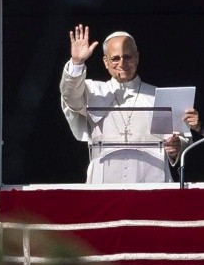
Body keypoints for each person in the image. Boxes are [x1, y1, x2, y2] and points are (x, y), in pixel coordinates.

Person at [60, 24, 184, 183]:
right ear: (105, 61)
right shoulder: (93, 90)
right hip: (105, 181)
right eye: (115, 58)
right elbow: (70, 96)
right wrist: (77, 63)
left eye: (128, 57)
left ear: (137, 58)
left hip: (152, 179)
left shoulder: (159, 95)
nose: (122, 63)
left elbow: (180, 138)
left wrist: (176, 146)